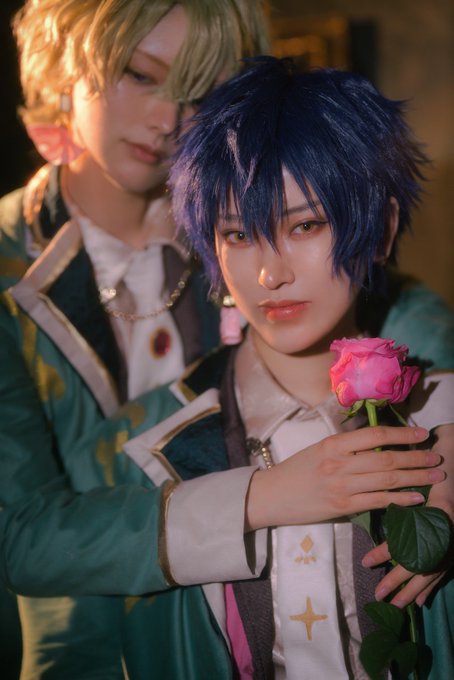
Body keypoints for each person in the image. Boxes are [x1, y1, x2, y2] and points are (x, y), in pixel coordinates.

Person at [2, 57, 452, 678]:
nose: (270, 273)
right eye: (238, 235)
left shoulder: (442, 415)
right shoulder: (136, 454)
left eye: (306, 225)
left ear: (382, 231)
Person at [0, 1, 269, 677]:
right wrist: (260, 500)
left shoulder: (251, 240)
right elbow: (21, 535)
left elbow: (398, 319)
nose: (168, 119)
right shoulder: (7, 268)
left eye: (198, 94)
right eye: (141, 74)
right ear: (67, 56)